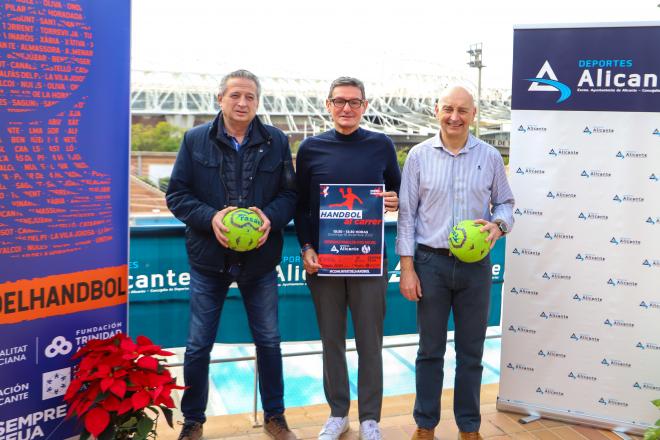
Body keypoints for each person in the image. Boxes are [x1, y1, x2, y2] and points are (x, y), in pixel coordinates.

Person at [166, 69, 298, 440]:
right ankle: (193, 421)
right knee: (198, 345)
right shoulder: (195, 141)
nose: (243, 103)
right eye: (235, 95)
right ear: (220, 98)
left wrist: (268, 217)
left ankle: (275, 416)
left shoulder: (276, 140)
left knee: (269, 341)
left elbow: (290, 195)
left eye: (250, 97)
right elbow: (177, 195)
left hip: (259, 261)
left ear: (258, 102)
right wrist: (212, 217)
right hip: (209, 260)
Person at [396, 85, 515, 440]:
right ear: (437, 111)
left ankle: (469, 425)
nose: (454, 117)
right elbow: (406, 217)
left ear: (473, 114)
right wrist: (407, 269)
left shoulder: (490, 157)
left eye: (463, 110)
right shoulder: (417, 157)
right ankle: (425, 423)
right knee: (429, 349)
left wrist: (498, 225)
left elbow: (506, 204)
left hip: (476, 268)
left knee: (471, 351)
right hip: (430, 263)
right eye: (448, 108)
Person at [294, 77, 401, 440]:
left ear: (365, 106)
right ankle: (338, 413)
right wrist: (306, 246)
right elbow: (302, 207)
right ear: (328, 105)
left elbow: (398, 189)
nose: (347, 108)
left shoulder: (381, 145)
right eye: (340, 101)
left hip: (369, 261)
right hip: (324, 262)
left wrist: (394, 200)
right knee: (332, 340)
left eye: (354, 102)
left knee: (370, 341)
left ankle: (371, 418)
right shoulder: (310, 148)